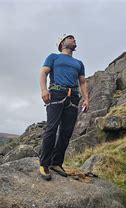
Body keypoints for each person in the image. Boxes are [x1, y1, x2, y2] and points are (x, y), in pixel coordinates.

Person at [38, 34, 89, 181]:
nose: (74, 39)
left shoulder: (79, 63)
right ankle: (44, 164)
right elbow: (44, 72)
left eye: (74, 38)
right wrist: (43, 90)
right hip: (56, 93)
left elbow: (83, 82)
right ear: (62, 43)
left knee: (66, 132)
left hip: (73, 96)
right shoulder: (53, 57)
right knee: (52, 128)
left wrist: (86, 99)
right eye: (70, 37)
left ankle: (56, 163)